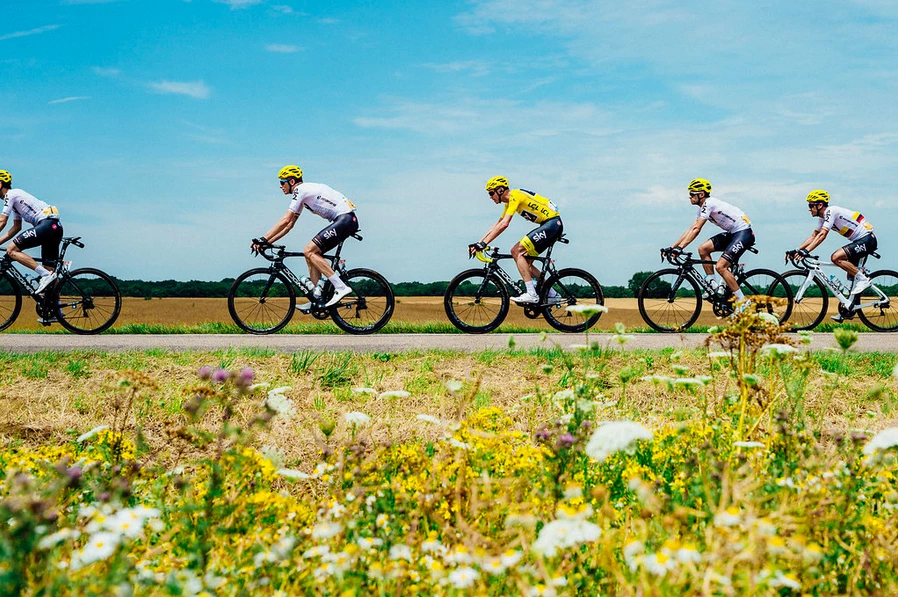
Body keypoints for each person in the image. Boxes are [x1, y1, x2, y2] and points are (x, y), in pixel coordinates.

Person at [251, 165, 358, 310]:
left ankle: (340, 287)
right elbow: (289, 226)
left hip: (345, 220)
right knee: (310, 254)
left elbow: (285, 220)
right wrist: (268, 242)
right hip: (344, 221)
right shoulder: (303, 195)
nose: (280, 186)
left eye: (282, 182)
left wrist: (263, 239)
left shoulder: (300, 190)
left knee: (309, 250)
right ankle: (317, 298)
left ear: (292, 182)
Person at [470, 176, 563, 304]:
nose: (490, 197)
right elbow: (498, 223)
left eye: (491, 193)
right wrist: (479, 242)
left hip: (552, 224)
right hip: (550, 225)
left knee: (516, 251)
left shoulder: (515, 196)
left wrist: (484, 243)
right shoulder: (509, 202)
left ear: (500, 190)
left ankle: (531, 294)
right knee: (526, 264)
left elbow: (504, 224)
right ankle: (552, 294)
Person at [664, 178, 755, 308]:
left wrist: (680, 248)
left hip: (743, 233)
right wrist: (673, 247)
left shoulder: (709, 203)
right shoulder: (702, 208)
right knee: (703, 249)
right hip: (733, 233)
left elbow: (697, 229)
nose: (689, 197)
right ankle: (712, 283)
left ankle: (742, 301)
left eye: (692, 194)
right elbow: (691, 228)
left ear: (701, 194)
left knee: (721, 267)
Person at [790, 190, 877, 321]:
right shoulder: (822, 218)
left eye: (810, 205)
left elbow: (822, 235)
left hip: (866, 239)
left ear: (819, 205)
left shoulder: (831, 211)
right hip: (859, 241)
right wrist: (797, 249)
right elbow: (814, 236)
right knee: (850, 275)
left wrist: (806, 252)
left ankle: (864, 280)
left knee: (836, 257)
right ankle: (849, 308)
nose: (809, 209)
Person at [0, 169, 63, 296]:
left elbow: (2, 221)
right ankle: (56, 314)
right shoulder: (16, 202)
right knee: (51, 277)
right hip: (53, 227)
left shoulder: (10, 195)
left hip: (47, 225)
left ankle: (45, 275)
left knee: (11, 250)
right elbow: (16, 227)